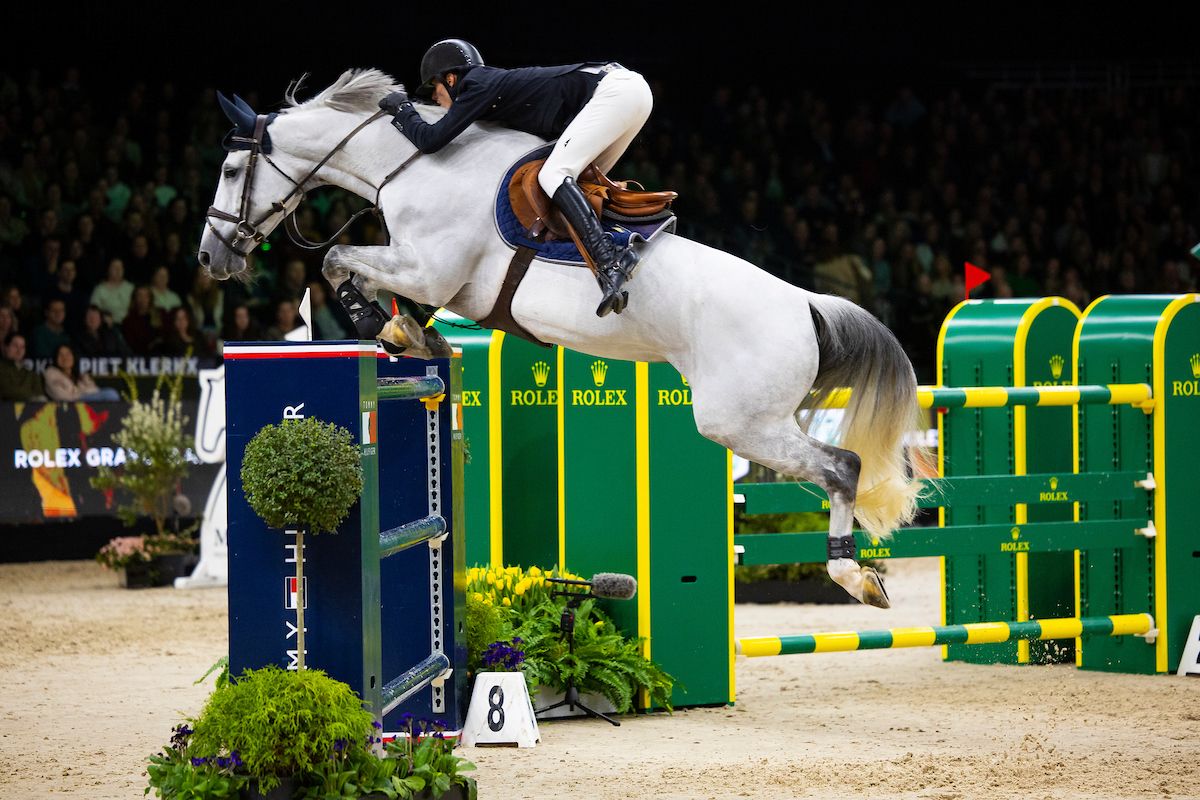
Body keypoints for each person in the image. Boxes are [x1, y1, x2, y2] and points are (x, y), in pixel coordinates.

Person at [377, 39, 653, 317]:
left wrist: (403, 109)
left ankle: (609, 260)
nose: (435, 98)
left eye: (433, 88)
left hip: (614, 91)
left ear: (450, 78)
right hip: (630, 93)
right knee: (579, 184)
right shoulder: (490, 91)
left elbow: (430, 140)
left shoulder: (475, 83)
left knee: (554, 174)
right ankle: (624, 244)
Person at [43, 343, 120, 402]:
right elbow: (61, 397)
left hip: (85, 404)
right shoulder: (51, 374)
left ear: (73, 357)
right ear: (56, 358)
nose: (65, 358)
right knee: (110, 394)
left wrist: (78, 393)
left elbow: (95, 390)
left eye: (68, 354)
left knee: (111, 393)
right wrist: (81, 394)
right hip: (69, 406)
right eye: (61, 355)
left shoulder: (81, 374)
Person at [0, 333, 46, 401]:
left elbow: (40, 396)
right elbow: (6, 390)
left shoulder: (31, 374)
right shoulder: (1, 368)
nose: (19, 350)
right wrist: (29, 396)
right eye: (15, 346)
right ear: (6, 347)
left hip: (29, 407)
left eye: (22, 347)